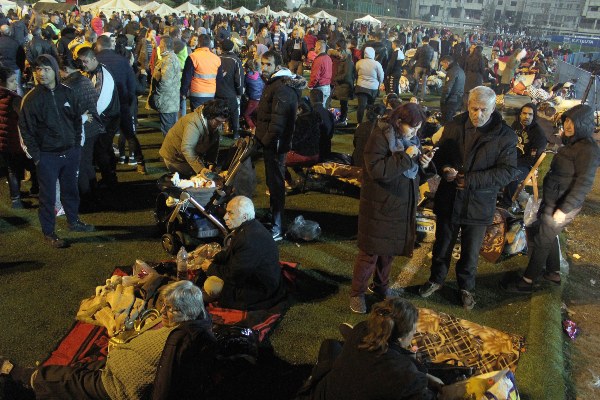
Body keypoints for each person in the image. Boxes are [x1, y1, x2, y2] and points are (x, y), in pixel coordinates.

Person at [0, 280, 217, 399]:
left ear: (186, 312)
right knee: (78, 372)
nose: (163, 312)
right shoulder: (191, 322)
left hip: (119, 388)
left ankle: (13, 373)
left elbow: (164, 385)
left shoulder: (177, 340)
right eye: (164, 306)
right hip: (112, 370)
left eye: (170, 309)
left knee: (59, 378)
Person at [418, 86, 518, 310]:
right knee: (442, 246)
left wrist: (468, 179)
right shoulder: (454, 125)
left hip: (479, 203)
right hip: (449, 198)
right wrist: (444, 169)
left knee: (471, 253)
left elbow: (508, 172)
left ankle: (466, 288)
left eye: (484, 110)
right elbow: (441, 155)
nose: (478, 114)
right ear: (467, 105)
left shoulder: (505, 136)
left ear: (493, 109)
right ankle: (436, 279)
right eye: (474, 108)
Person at [502, 105, 600, 293]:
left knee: (542, 240)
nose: (569, 125)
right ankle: (553, 272)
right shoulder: (572, 143)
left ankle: (527, 282)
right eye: (567, 121)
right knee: (546, 233)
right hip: (554, 198)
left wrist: (563, 210)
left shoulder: (588, 149)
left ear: (583, 123)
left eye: (573, 122)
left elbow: (583, 184)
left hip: (563, 204)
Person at [350, 103, 434, 314]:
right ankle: (356, 293)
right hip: (380, 206)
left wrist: (423, 164)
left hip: (401, 206)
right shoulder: (379, 136)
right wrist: (406, 157)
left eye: (418, 128)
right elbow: (377, 171)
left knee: (389, 252)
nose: (415, 133)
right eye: (412, 127)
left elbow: (413, 175)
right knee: (370, 253)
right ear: (398, 122)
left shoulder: (412, 141)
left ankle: (381, 287)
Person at [19, 55, 95, 248]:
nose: (41, 73)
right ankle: (49, 232)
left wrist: (76, 145)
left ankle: (73, 221)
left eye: (46, 69)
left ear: (54, 70)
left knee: (70, 190)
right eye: (38, 69)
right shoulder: (32, 99)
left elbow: (76, 120)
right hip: (47, 156)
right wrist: (37, 157)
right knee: (48, 197)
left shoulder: (68, 93)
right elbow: (26, 130)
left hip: (70, 152)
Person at [302, 298, 442, 399]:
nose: (414, 333)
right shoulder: (404, 372)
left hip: (316, 395)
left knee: (331, 345)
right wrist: (428, 379)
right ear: (401, 338)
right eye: (413, 331)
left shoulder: (361, 329)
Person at [201, 196, 286, 310]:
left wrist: (211, 267)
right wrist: (216, 258)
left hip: (258, 289)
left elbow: (234, 275)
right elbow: (231, 253)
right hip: (262, 279)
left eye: (230, 213)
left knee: (210, 285)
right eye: (226, 212)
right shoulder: (249, 227)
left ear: (244, 216)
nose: (225, 217)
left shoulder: (247, 238)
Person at [255, 50, 306, 240]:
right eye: (262, 63)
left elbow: (277, 124)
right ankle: (273, 217)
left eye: (268, 64)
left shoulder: (282, 87)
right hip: (271, 144)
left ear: (277, 66)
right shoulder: (275, 84)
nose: (264, 68)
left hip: (275, 145)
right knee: (272, 182)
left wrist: (265, 141)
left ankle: (277, 227)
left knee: (276, 185)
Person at [95, 35, 146, 174]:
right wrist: (129, 102)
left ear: (98, 46)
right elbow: (132, 86)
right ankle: (141, 162)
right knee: (130, 134)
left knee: (104, 139)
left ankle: (109, 168)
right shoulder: (122, 61)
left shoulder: (96, 60)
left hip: (104, 107)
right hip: (122, 104)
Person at [60, 57, 103, 211]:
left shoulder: (68, 86)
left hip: (83, 129)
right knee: (88, 164)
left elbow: (68, 112)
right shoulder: (85, 80)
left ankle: (86, 201)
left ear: (64, 69)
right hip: (93, 127)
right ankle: (94, 194)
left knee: (81, 166)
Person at [159, 99, 229, 178]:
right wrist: (201, 169)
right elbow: (187, 148)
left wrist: (211, 163)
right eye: (218, 121)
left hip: (188, 156)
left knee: (209, 175)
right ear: (210, 116)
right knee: (200, 178)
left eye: (222, 122)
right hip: (176, 159)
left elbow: (214, 145)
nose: (220, 125)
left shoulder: (213, 123)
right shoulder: (193, 122)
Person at [0, 64, 37, 209]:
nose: (16, 83)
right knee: (26, 166)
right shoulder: (13, 99)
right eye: (12, 81)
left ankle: (16, 199)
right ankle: (32, 190)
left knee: (11, 169)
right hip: (15, 141)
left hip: (3, 142)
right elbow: (24, 119)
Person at [502, 103, 547, 206]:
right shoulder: (516, 125)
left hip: (526, 166)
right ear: (520, 114)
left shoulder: (538, 134)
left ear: (534, 116)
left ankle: (505, 204)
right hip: (511, 159)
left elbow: (531, 159)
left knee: (513, 175)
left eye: (530, 114)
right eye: (524, 113)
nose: (527, 116)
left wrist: (512, 163)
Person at [150, 36, 181, 137]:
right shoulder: (171, 58)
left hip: (166, 101)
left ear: (164, 46)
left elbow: (165, 82)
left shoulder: (168, 60)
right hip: (170, 100)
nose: (159, 46)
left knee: (167, 129)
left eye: (160, 44)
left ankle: (169, 151)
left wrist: (157, 94)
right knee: (171, 128)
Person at [181, 34, 221, 111]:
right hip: (211, 93)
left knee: (197, 119)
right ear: (209, 44)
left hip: (196, 93)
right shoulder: (216, 58)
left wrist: (183, 92)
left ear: (198, 44)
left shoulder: (193, 57)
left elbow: (186, 77)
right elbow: (219, 79)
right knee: (208, 118)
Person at [215, 39, 243, 139]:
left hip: (217, 91)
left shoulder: (217, 58)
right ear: (232, 48)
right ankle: (235, 133)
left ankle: (218, 134)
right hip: (231, 93)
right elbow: (239, 79)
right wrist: (239, 92)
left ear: (221, 48)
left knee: (217, 113)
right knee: (234, 113)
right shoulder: (236, 60)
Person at [355, 47, 384, 124]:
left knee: (361, 106)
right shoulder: (376, 64)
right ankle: (369, 122)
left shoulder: (359, 62)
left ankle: (359, 123)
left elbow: (356, 73)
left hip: (361, 86)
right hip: (373, 88)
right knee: (371, 106)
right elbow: (381, 76)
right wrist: (379, 83)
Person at [331, 42, 354, 127]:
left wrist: (336, 78)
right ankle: (342, 118)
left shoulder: (348, 62)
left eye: (340, 53)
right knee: (343, 103)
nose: (339, 55)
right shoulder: (344, 60)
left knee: (344, 103)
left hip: (345, 85)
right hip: (342, 85)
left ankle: (343, 120)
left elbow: (347, 75)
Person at [439, 55, 465, 123]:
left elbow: (448, 87)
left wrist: (443, 100)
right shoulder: (460, 70)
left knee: (446, 120)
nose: (443, 67)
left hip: (451, 99)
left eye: (443, 65)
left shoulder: (452, 71)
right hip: (458, 98)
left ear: (447, 63)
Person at [308, 40, 332, 108]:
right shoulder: (328, 58)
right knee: (322, 107)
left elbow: (315, 76)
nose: (314, 47)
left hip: (320, 87)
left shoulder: (319, 60)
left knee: (317, 109)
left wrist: (310, 85)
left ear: (319, 47)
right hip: (327, 86)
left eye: (315, 46)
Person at [242, 59, 264, 132]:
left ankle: (253, 129)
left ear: (246, 68)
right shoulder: (259, 75)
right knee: (255, 114)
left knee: (246, 115)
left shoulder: (247, 77)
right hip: (261, 98)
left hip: (253, 100)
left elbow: (243, 90)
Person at [413, 37, 434, 102]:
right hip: (426, 67)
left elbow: (415, 57)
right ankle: (422, 98)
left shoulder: (419, 48)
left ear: (422, 41)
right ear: (429, 41)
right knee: (424, 83)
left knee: (416, 81)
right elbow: (431, 58)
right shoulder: (431, 49)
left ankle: (414, 96)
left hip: (418, 66)